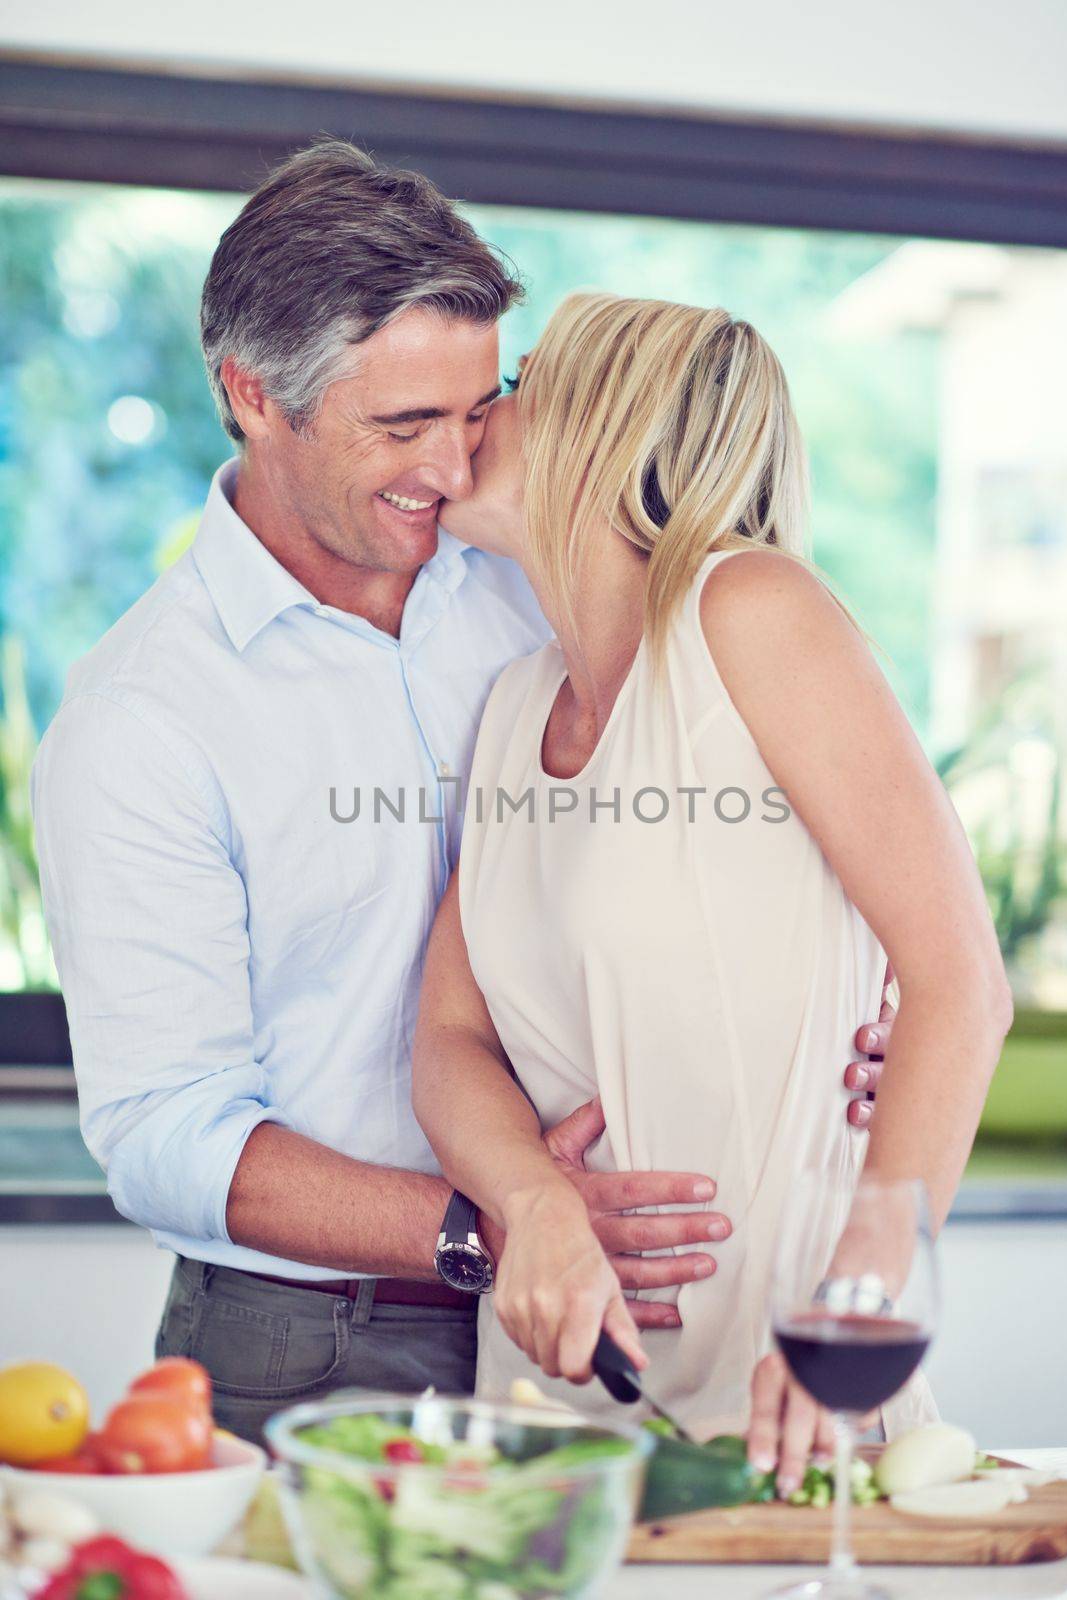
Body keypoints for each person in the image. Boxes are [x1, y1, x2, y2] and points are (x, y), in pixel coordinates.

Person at [31, 140, 896, 1454]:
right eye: (402, 425)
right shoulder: (141, 719)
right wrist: (498, 1219)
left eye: (479, 404)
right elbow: (166, 1129)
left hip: (606, 1309)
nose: (454, 457)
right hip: (311, 1339)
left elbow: (811, 808)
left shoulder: (535, 591)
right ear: (255, 395)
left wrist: (867, 987)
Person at [412, 291, 1013, 1493]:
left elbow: (957, 982)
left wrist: (855, 1299)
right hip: (555, 1397)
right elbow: (447, 1036)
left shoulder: (753, 612)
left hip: (783, 1392)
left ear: (604, 418)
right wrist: (533, 1204)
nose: (481, 413)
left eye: (518, 380)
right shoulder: (518, 702)